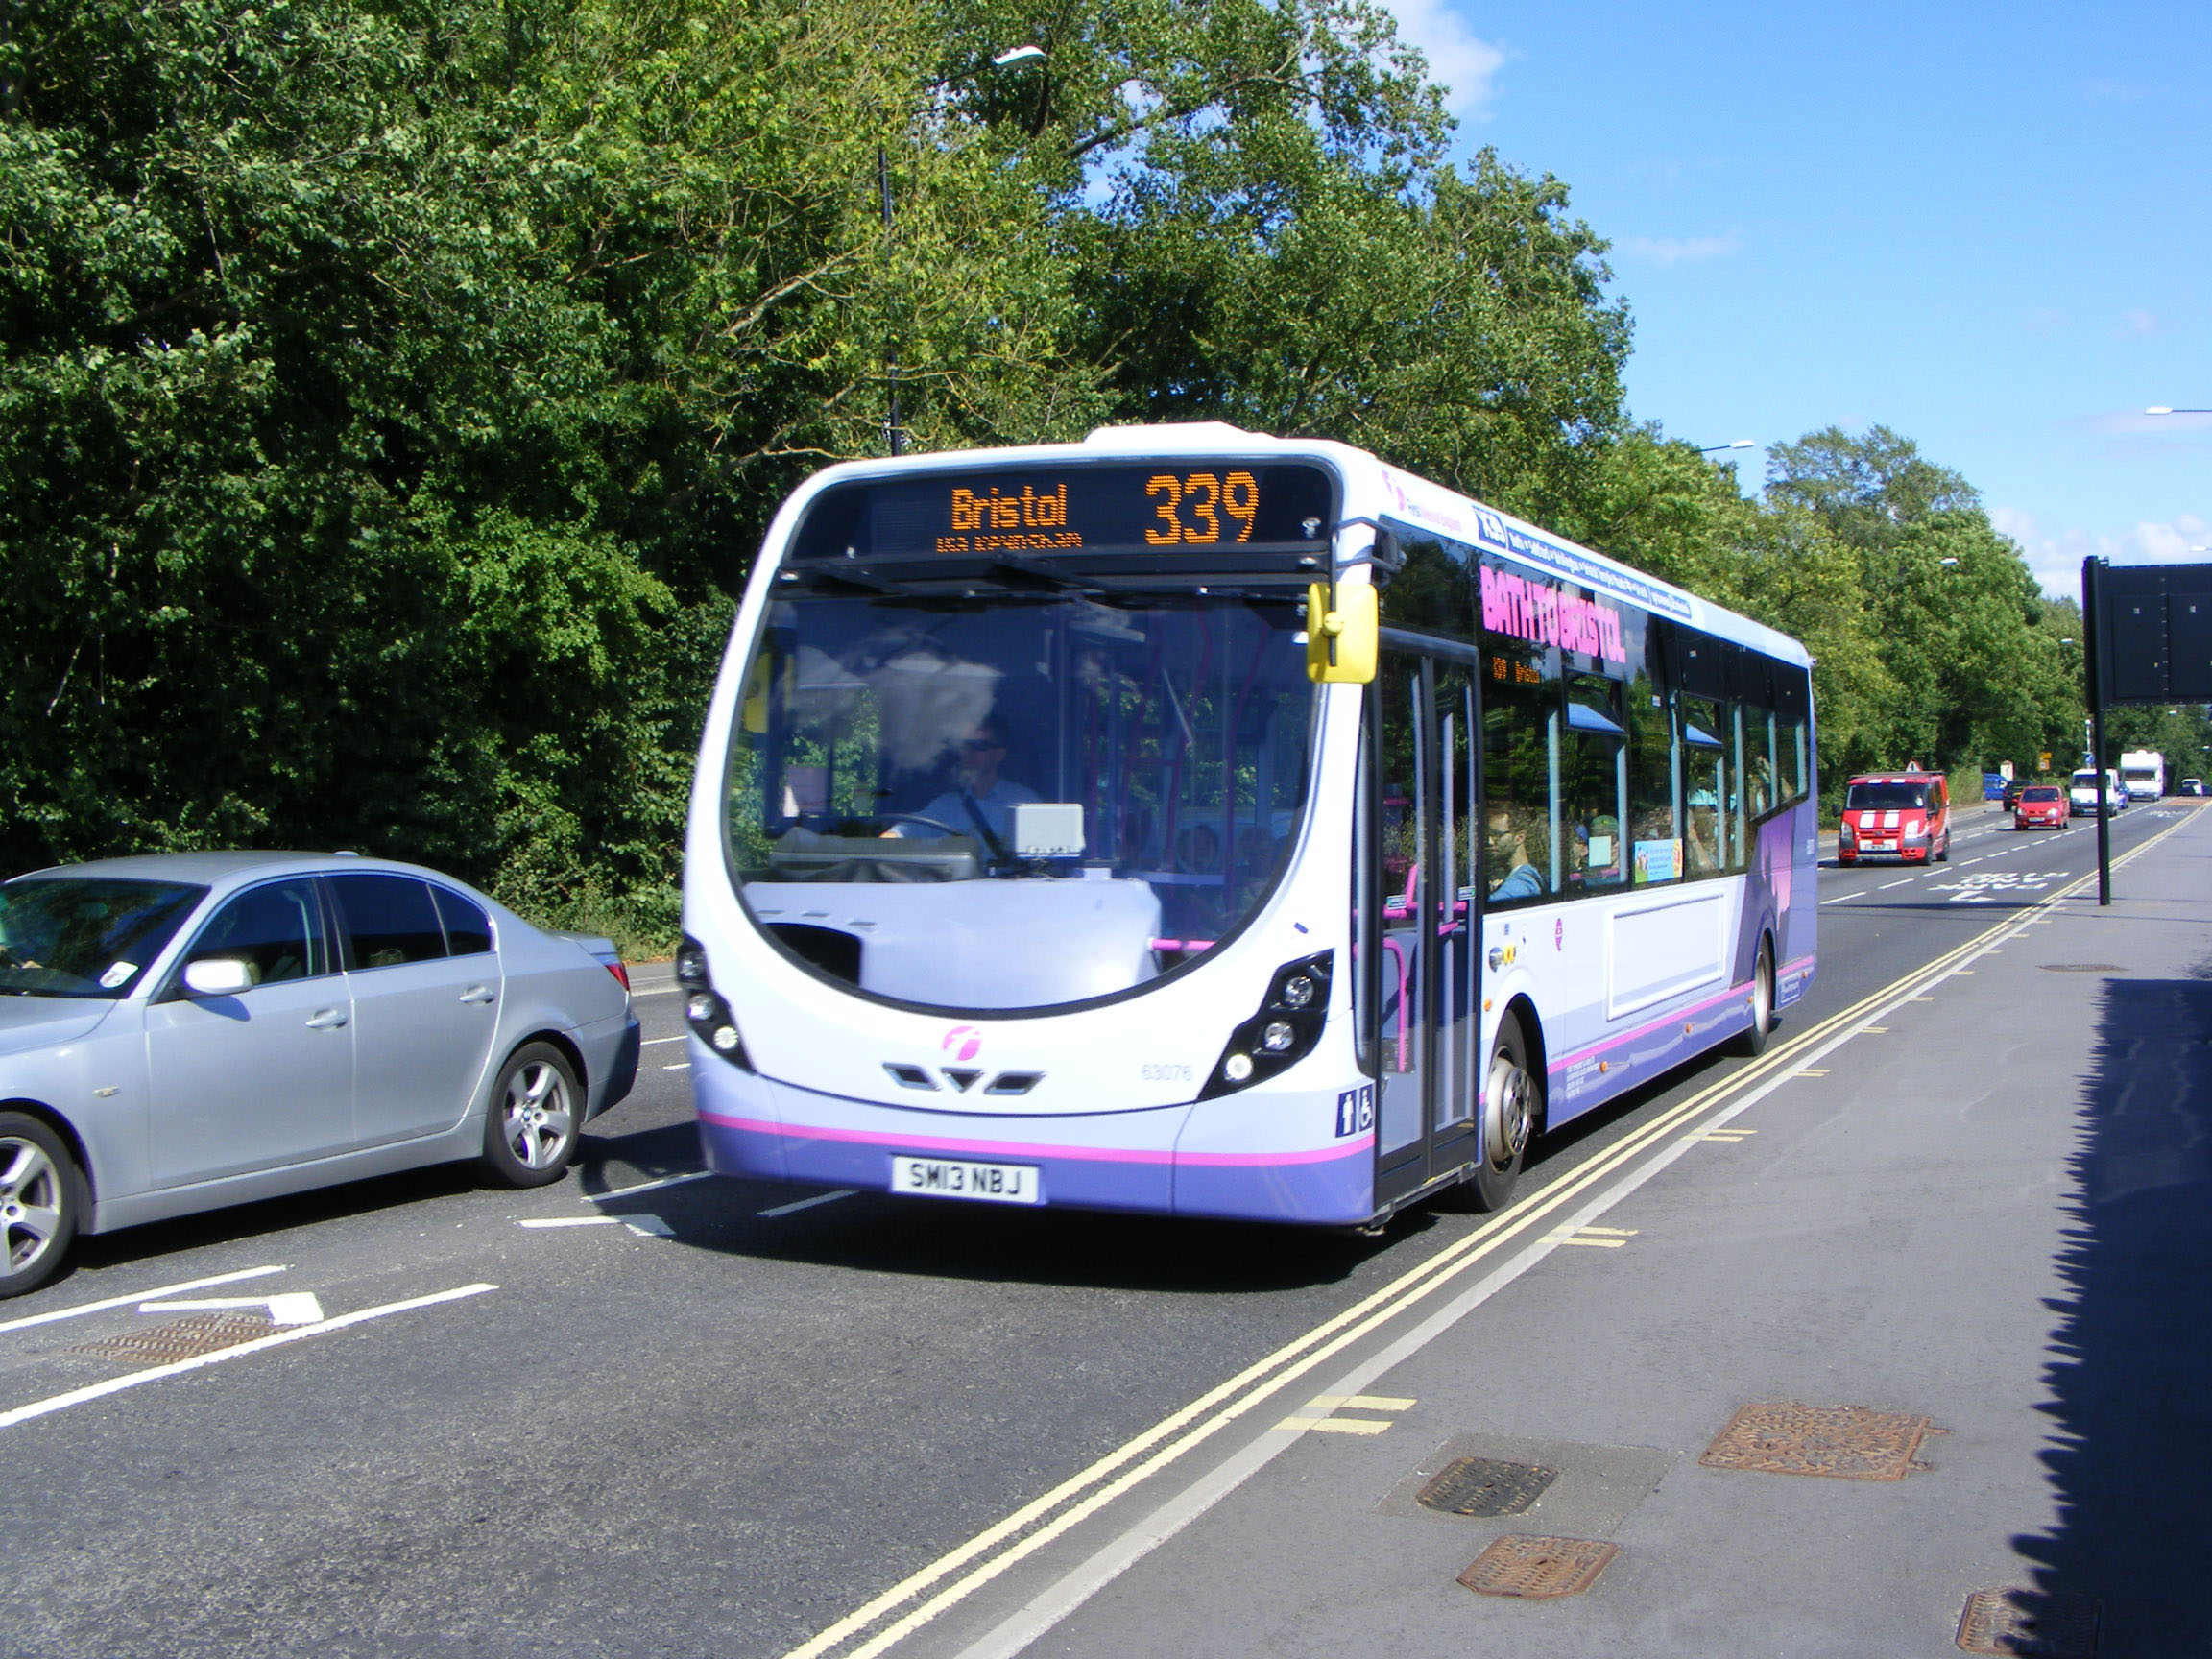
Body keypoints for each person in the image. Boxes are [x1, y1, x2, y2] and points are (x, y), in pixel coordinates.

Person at [900, 719, 1039, 855]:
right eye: (964, 745)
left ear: (999, 754)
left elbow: (1041, 853)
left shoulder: (1024, 801)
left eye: (978, 746)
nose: (967, 753)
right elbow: (905, 831)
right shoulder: (946, 804)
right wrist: (890, 837)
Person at [1485, 803, 1545, 902]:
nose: (1489, 841)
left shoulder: (1517, 887)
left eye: (1497, 835)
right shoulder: (1525, 878)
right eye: (1489, 835)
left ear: (1519, 838)